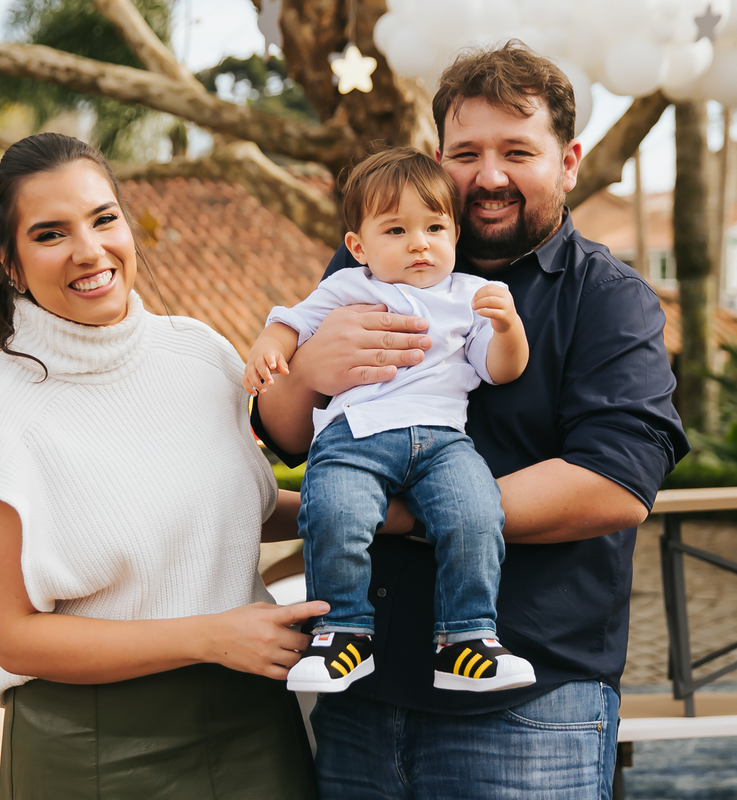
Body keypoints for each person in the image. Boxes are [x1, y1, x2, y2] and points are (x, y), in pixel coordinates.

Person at [253, 42, 690, 799]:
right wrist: (310, 368)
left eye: (517, 151)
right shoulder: (368, 268)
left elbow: (614, 484)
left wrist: (395, 512)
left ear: (568, 162)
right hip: (362, 689)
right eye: (466, 154)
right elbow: (287, 434)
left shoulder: (607, 299)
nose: (488, 176)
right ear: (437, 161)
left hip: (528, 700)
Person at [0, 133, 322, 800]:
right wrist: (209, 636)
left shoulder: (201, 354)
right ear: (10, 263)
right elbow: (14, 640)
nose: (89, 249)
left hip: (254, 718)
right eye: (50, 234)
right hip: (94, 746)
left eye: (104, 219)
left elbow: (227, 510)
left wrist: (381, 515)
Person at [243, 147, 536, 695]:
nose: (419, 243)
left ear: (455, 235)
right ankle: (342, 632)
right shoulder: (351, 286)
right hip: (355, 436)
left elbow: (499, 369)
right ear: (359, 246)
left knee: (476, 513)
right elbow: (292, 320)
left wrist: (508, 329)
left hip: (443, 441)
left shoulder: (471, 296)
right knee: (333, 512)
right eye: (396, 230)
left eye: (434, 228)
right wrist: (270, 346)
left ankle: (467, 638)